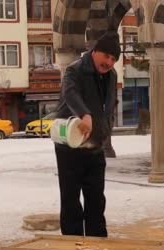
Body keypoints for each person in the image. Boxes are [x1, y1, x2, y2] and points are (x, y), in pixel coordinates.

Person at [54, 31, 120, 237]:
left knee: (96, 198)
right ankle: (72, 244)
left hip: (96, 144)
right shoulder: (75, 70)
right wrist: (85, 114)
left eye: (113, 59)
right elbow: (70, 93)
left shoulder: (112, 75)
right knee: (71, 198)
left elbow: (109, 104)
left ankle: (98, 240)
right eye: (106, 56)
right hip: (70, 145)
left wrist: (106, 126)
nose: (108, 62)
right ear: (95, 52)